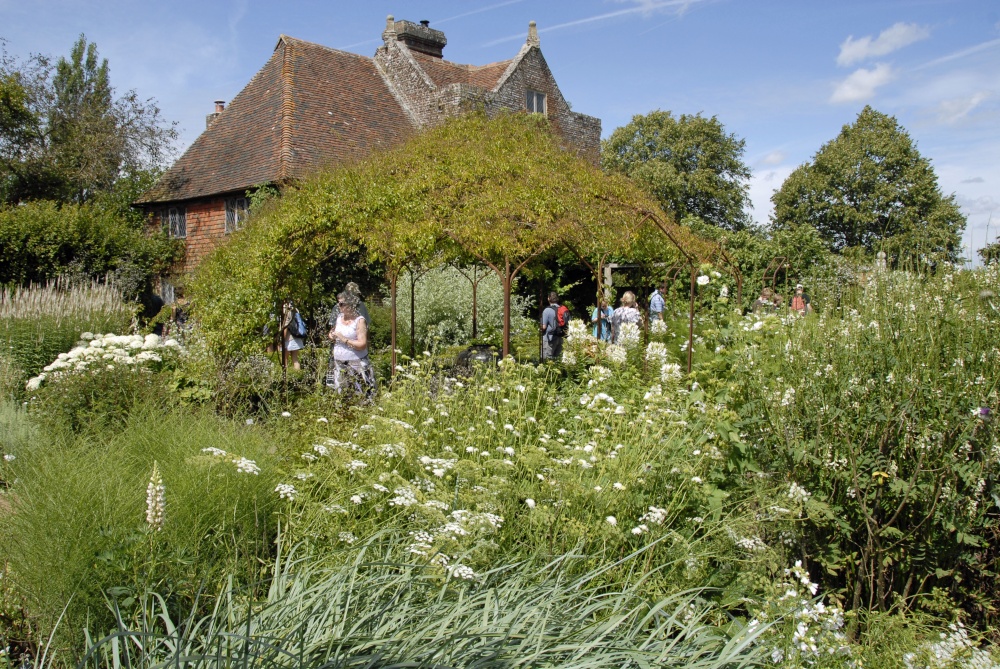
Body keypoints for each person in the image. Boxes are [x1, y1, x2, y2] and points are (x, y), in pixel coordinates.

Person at [327, 291, 376, 397]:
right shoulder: (339, 318)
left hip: (356, 365)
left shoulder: (359, 321)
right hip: (339, 363)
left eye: (341, 304)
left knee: (360, 395)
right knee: (342, 395)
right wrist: (332, 335)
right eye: (338, 304)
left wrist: (344, 339)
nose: (338, 306)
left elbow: (362, 344)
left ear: (350, 305)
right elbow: (332, 332)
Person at [540, 291, 563, 361]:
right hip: (560, 338)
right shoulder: (562, 309)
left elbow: (544, 327)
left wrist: (540, 327)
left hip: (549, 339)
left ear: (548, 298)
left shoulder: (547, 310)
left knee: (546, 361)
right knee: (557, 361)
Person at [281, 299, 305, 370]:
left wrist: (282, 339)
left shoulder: (285, 309)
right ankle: (297, 377)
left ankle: (285, 378)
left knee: (284, 360)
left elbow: (285, 326)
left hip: (288, 338)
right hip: (296, 336)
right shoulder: (294, 308)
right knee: (295, 359)